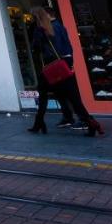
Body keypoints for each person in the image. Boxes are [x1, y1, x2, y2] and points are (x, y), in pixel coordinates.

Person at [28, 7, 102, 137]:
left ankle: (39, 123)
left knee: (44, 96)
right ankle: (90, 122)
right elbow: (67, 47)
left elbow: (36, 49)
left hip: (49, 69)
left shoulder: (40, 31)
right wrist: (69, 63)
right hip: (62, 67)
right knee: (73, 98)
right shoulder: (57, 27)